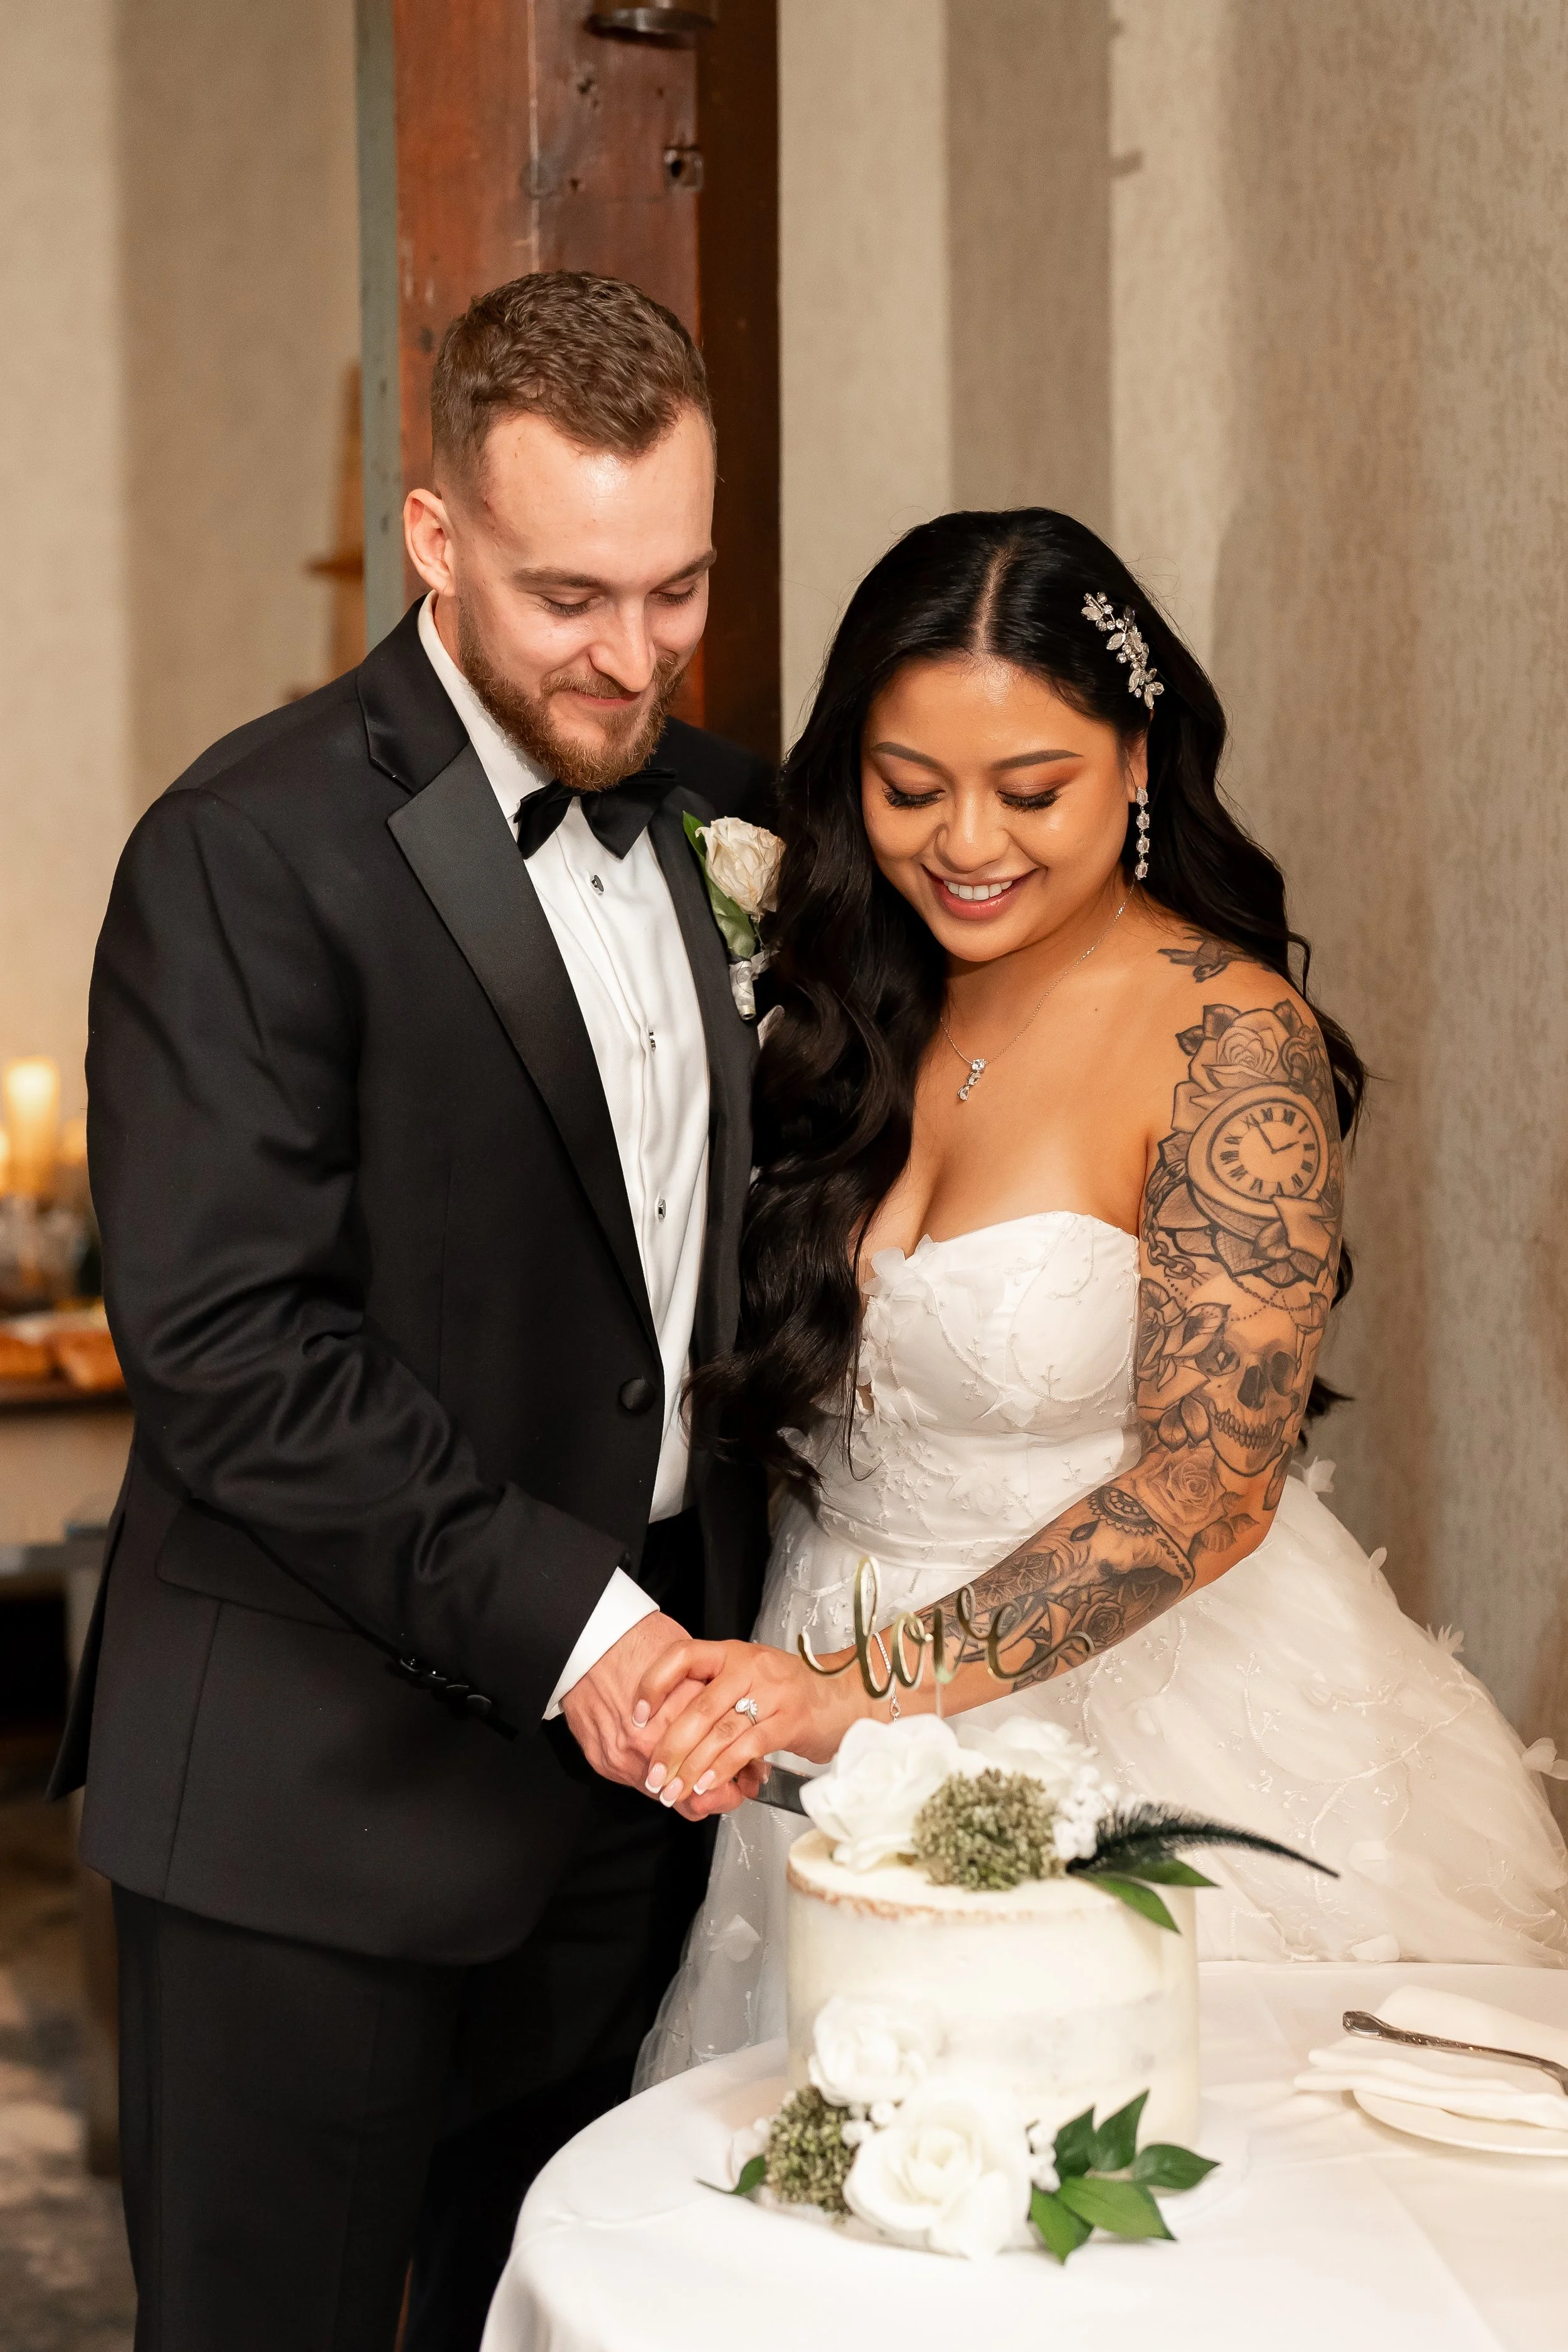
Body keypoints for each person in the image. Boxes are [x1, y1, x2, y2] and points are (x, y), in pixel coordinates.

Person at [50, 270, 773, 2351]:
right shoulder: (243, 852)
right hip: (313, 1807)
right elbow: (236, 1359)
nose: (631, 655)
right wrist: (588, 1629)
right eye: (570, 595)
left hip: (624, 1820)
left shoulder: (734, 819)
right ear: (436, 539)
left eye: (679, 586)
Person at [633, 507, 1568, 2084]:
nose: (967, 845)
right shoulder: (845, 999)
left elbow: (1207, 1488)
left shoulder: (1226, 1040)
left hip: (1141, 1698)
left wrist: (848, 1695)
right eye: (908, 789)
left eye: (1031, 790)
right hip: (816, 1665)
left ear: (1136, 762)